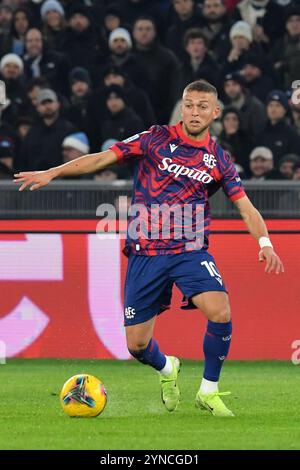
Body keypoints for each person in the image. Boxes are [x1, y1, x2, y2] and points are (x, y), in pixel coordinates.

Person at [14, 80, 284, 417]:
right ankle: (167, 369)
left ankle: (208, 391)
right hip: (146, 252)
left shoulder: (218, 160)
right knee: (137, 345)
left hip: (190, 249)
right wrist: (53, 172)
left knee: (221, 311)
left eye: (203, 106)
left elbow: (246, 206)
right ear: (182, 107)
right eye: (189, 104)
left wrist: (265, 243)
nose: (195, 112)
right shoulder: (155, 138)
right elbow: (103, 158)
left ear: (216, 112)